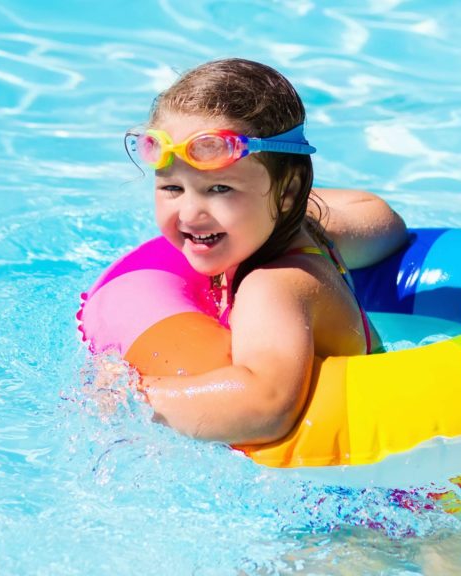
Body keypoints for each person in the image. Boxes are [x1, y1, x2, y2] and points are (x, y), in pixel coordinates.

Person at [112, 58, 406, 446]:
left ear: (286, 193)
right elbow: (384, 222)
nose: (190, 213)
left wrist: (135, 395)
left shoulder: (274, 286)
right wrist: (287, 206)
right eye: (172, 188)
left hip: (360, 492)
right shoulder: (315, 230)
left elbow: (265, 407)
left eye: (220, 190)